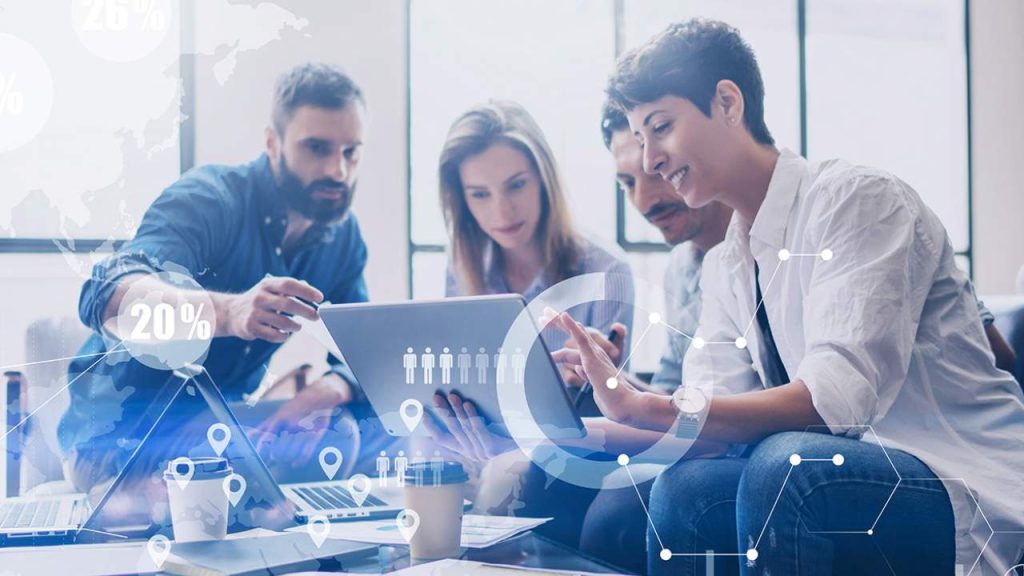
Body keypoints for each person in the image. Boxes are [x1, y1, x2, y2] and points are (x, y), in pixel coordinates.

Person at [555, 19, 1024, 575]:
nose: (651, 158)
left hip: (958, 479)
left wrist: (649, 407)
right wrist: (573, 429)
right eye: (640, 139)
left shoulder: (859, 200)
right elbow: (709, 429)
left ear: (728, 102)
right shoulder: (726, 264)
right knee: (687, 487)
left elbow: (834, 403)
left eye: (661, 127)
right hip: (851, 477)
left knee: (786, 467)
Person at [58, 63, 387, 497]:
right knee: (239, 482)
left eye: (351, 153)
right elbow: (105, 295)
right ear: (273, 142)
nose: (338, 171)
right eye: (317, 148)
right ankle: (142, 500)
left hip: (217, 425)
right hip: (118, 438)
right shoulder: (210, 199)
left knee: (342, 431)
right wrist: (228, 312)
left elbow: (361, 352)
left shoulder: (342, 238)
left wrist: (327, 390)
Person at [439, 100, 635, 392]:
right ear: (462, 201)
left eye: (517, 185)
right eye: (480, 194)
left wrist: (600, 382)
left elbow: (616, 406)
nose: (503, 212)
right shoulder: (462, 264)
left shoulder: (607, 272)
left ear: (544, 181)